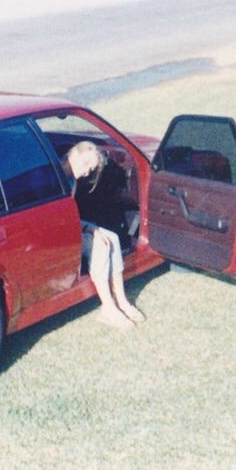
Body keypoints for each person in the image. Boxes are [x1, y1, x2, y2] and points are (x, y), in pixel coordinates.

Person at [63, 141, 146, 330]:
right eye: (84, 165)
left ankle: (122, 300)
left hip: (74, 225)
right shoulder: (56, 177)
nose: (86, 172)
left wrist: (90, 228)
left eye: (90, 169)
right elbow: (61, 218)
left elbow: (72, 216)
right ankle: (107, 309)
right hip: (62, 232)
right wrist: (90, 230)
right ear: (73, 155)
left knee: (113, 238)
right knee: (100, 244)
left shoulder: (72, 180)